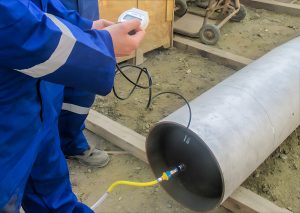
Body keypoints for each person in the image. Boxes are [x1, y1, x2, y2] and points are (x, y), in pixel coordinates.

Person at [0, 0, 145, 212]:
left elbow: (35, 6)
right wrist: (103, 46)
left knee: (51, 187)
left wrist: (85, 27)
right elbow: (18, 28)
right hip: (6, 119)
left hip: (33, 101)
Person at [58, 0, 112, 167]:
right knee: (51, 80)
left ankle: (71, 142)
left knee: (84, 80)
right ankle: (53, 144)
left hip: (85, 7)